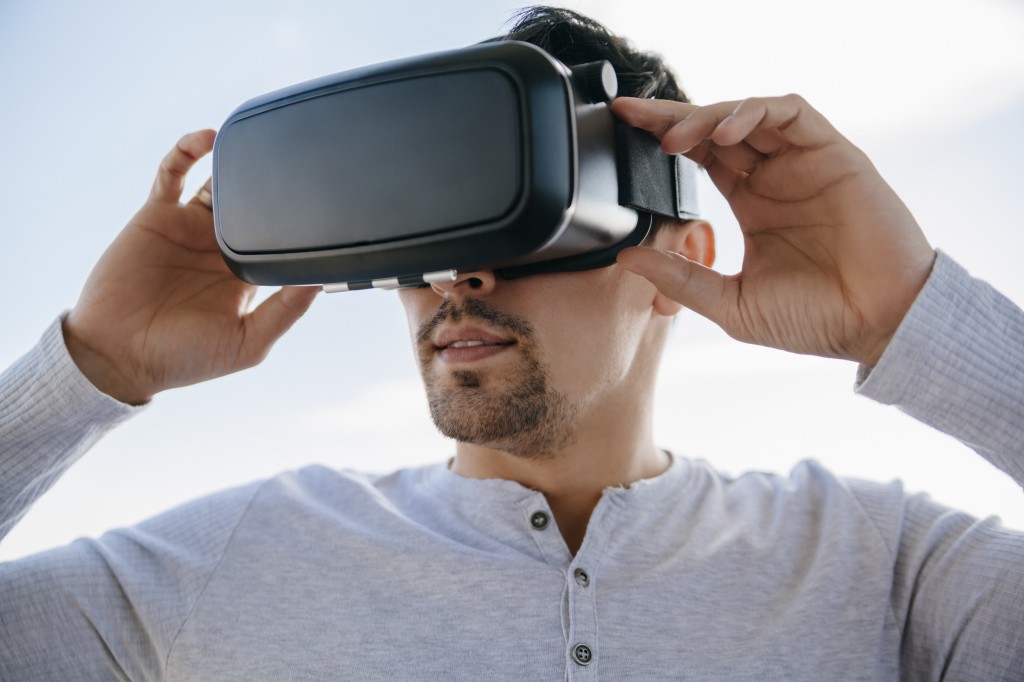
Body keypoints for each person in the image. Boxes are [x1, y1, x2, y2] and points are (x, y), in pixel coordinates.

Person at [2, 6, 1022, 679]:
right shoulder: (224, 562)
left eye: (515, 220)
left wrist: (909, 318)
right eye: (428, 232)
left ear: (680, 257)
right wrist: (93, 366)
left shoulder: (886, 567)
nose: (459, 276)